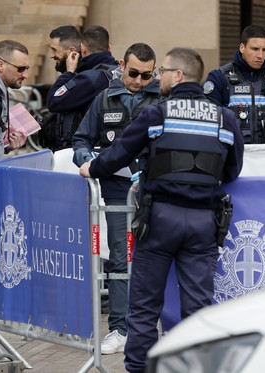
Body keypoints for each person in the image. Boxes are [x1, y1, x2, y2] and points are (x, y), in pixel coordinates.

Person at [78, 47, 244, 373]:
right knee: (198, 310)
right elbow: (232, 170)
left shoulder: (158, 114)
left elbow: (121, 152)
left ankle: (139, 368)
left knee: (143, 307)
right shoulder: (224, 117)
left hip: (159, 220)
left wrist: (92, 169)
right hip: (203, 223)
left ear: (179, 75)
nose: (158, 77)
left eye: (163, 71)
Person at [72, 42, 161, 355]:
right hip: (116, 186)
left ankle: (150, 326)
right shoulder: (104, 97)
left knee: (157, 255)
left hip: (154, 188)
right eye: (133, 72)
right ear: (122, 64)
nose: (138, 80)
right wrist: (87, 160)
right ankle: (121, 327)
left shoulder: (162, 99)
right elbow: (81, 139)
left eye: (146, 75)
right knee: (121, 256)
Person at [203, 25, 265, 155]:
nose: (260, 55)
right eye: (255, 49)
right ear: (242, 47)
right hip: (231, 155)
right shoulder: (219, 78)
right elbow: (209, 117)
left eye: (264, 50)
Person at [46, 25, 118, 151]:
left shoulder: (89, 79)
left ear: (81, 50)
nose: (51, 55)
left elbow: (53, 101)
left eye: (54, 49)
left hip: (83, 153)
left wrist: (68, 73)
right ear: (109, 48)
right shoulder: (116, 72)